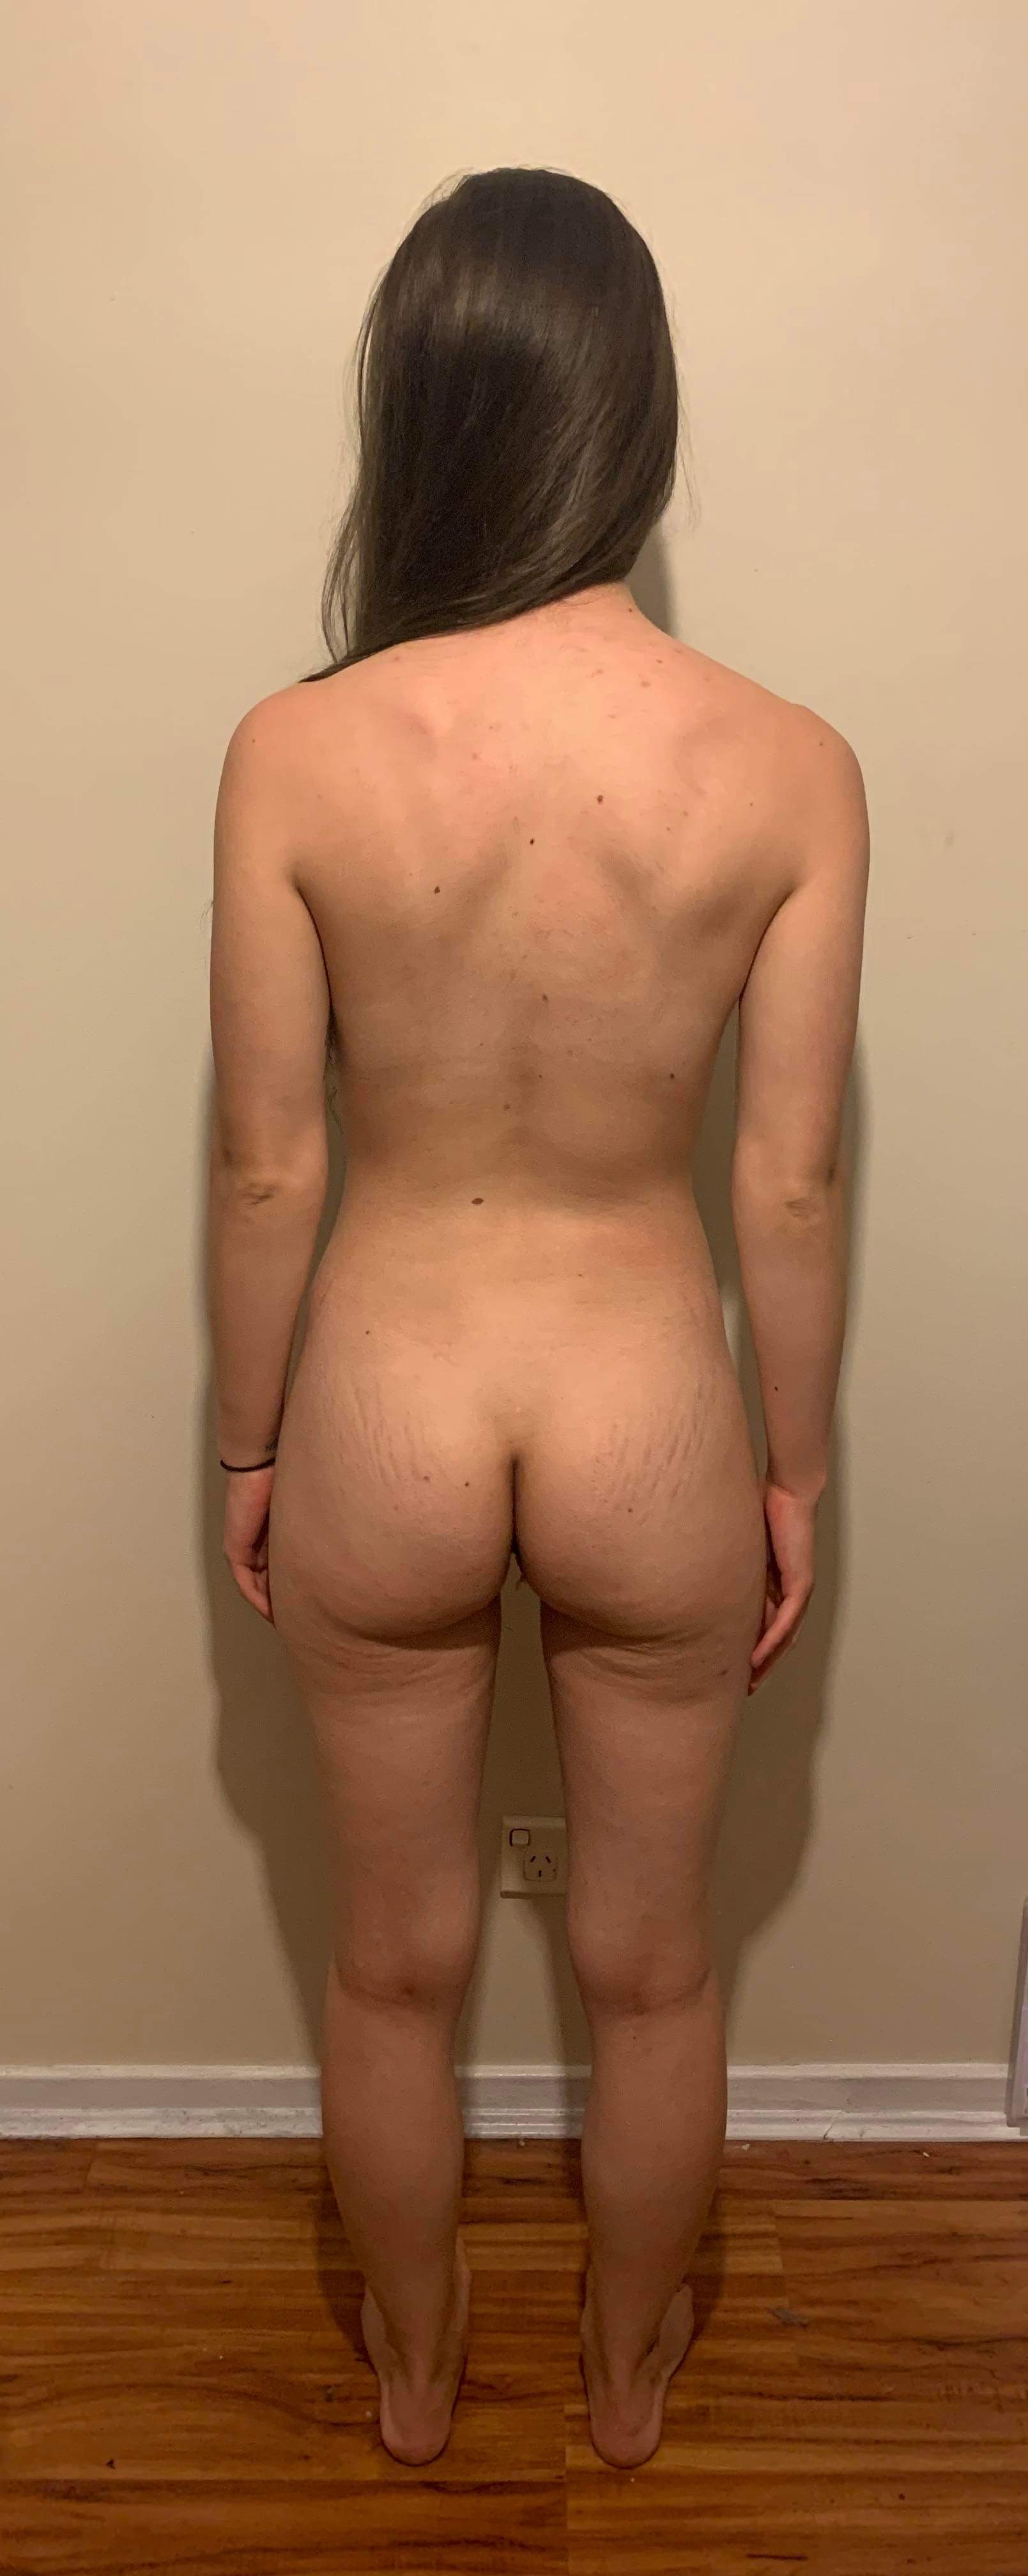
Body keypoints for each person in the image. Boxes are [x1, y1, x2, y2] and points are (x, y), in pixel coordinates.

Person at [206, 164, 870, 2473]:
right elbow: (785, 1184)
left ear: (419, 409)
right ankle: (620, 2378)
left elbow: (268, 1164)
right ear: (634, 416)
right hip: (640, 1401)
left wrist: (249, 1444)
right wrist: (793, 1470)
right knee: (652, 1970)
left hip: (386, 1390)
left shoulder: (297, 751)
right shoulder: (785, 764)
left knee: (391, 1962)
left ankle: (412, 2377)